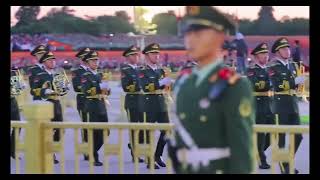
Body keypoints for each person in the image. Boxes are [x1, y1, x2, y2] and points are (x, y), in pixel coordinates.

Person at [168, 6, 255, 174]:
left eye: (198, 33)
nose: (190, 40)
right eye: (188, 34)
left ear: (219, 37)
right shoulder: (184, 83)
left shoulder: (234, 86)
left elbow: (241, 150)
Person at [268, 37, 304, 174]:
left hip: (293, 103)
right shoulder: (273, 67)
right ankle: (285, 168)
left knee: (298, 136)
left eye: (288, 48)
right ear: (277, 52)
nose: (287, 51)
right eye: (283, 49)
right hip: (280, 104)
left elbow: (297, 86)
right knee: (281, 138)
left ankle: (288, 161)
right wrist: (295, 81)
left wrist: (300, 84)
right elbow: (278, 85)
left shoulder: (293, 65)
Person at [139, 43, 173, 169]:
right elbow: (146, 87)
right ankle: (149, 159)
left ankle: (157, 155)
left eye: (158, 53)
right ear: (147, 55)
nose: (157, 56)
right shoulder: (142, 70)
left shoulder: (160, 70)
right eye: (154, 53)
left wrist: (169, 83)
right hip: (149, 103)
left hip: (161, 102)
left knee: (167, 131)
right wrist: (160, 83)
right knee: (149, 132)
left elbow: (166, 87)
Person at [246, 43, 274, 169]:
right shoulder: (252, 70)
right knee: (260, 133)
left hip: (270, 105)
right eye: (263, 54)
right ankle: (261, 159)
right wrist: (270, 83)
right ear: (256, 56)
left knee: (273, 132)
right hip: (258, 105)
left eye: (267, 54)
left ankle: (255, 152)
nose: (266, 56)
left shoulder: (268, 69)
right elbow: (256, 85)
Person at [81, 50, 111, 166]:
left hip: (101, 105)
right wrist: (99, 86)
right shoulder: (85, 75)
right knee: (94, 132)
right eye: (93, 60)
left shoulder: (100, 75)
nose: (95, 62)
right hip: (92, 105)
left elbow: (107, 92)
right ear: (87, 62)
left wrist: (107, 89)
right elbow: (85, 90)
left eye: (96, 60)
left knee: (105, 132)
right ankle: (95, 157)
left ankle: (92, 151)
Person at [35, 51, 65, 164]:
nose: (52, 62)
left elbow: (61, 88)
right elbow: (34, 90)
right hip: (46, 103)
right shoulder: (40, 75)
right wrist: (44, 91)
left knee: (60, 129)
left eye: (53, 60)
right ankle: (49, 153)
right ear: (44, 62)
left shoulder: (56, 74)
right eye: (49, 60)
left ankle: (49, 149)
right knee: (48, 129)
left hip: (57, 102)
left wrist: (64, 89)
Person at [120, 45, 144, 163]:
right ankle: (135, 153)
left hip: (142, 101)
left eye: (137, 55)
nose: (137, 57)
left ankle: (133, 145)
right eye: (134, 55)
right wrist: (139, 86)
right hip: (132, 101)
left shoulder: (140, 69)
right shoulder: (126, 70)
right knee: (134, 128)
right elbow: (126, 87)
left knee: (143, 129)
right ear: (128, 57)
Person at [71, 47, 91, 161]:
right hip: (83, 101)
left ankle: (93, 148)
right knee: (86, 126)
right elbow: (76, 87)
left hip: (96, 102)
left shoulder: (94, 70)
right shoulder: (77, 72)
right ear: (82, 58)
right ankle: (86, 149)